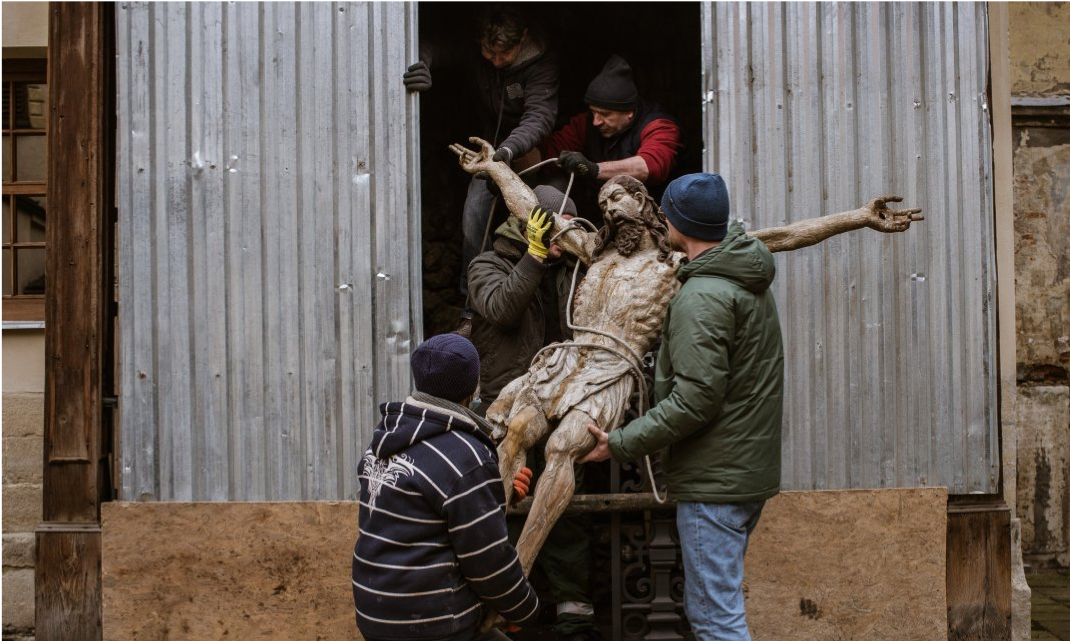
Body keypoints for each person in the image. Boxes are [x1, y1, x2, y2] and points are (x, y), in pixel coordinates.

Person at [579, 173, 784, 641]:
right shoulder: (742, 277)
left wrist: (621, 443)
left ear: (677, 221)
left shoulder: (703, 297)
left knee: (716, 620)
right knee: (716, 607)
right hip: (740, 474)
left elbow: (695, 400)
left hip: (715, 483)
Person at [467, 186, 601, 641]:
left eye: (572, 222)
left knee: (564, 510)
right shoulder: (486, 265)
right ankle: (502, 614)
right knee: (501, 506)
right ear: (531, 219)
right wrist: (534, 255)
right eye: (556, 219)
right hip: (505, 412)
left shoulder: (575, 268)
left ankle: (573, 614)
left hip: (562, 406)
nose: (566, 229)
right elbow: (502, 310)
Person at [352, 334, 540, 641]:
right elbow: (488, 564)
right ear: (472, 387)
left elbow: (424, 521)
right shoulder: (465, 456)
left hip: (376, 614)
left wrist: (498, 496)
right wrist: (523, 610)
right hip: (432, 623)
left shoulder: (383, 441)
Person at [404, 4, 559, 323]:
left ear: (523, 39)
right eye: (490, 53)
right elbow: (435, 45)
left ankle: (541, 303)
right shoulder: (477, 50)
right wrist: (422, 62)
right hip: (489, 149)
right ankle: (473, 303)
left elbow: (539, 117)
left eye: (505, 55)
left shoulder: (541, 63)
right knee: (474, 217)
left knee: (543, 219)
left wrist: (506, 153)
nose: (497, 61)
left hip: (526, 148)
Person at [539, 55, 682, 221]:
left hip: (655, 218)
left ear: (629, 112)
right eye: (593, 112)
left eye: (605, 114)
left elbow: (651, 166)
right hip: (601, 217)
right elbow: (549, 151)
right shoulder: (585, 125)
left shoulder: (660, 125)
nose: (596, 121)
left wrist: (593, 169)